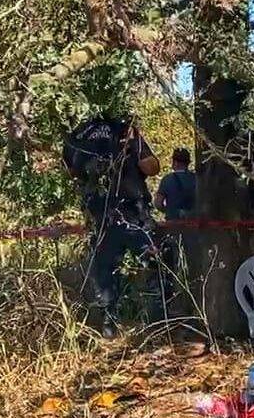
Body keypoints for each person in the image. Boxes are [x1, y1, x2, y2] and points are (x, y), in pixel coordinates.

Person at [63, 115, 161, 339]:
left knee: (105, 271)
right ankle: (157, 322)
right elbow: (152, 167)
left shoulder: (76, 136)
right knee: (152, 264)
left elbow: (71, 174)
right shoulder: (124, 129)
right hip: (131, 212)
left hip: (102, 215)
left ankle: (111, 325)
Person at [154, 148, 196, 221]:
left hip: (173, 222)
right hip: (193, 222)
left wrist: (169, 211)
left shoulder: (166, 180)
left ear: (175, 163)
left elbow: (158, 204)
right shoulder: (196, 178)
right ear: (188, 162)